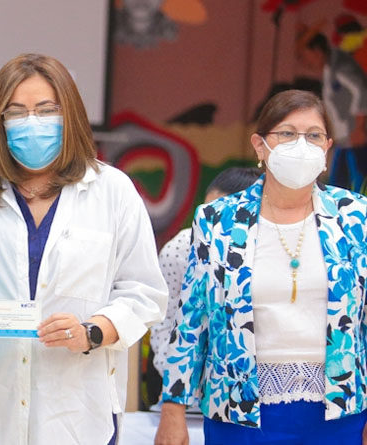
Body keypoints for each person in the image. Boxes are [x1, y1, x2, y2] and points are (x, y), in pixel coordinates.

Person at [0, 53, 168, 444]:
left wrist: (94, 331)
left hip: (78, 411)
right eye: (17, 112)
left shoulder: (112, 190)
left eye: (46, 110)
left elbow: (144, 292)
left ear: (70, 115)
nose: (32, 124)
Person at [155, 89, 367, 445]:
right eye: (286, 133)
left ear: (327, 148)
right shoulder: (217, 220)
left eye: (313, 135)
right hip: (238, 411)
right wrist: (172, 409)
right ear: (259, 145)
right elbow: (191, 320)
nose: (301, 145)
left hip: (338, 413)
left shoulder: (355, 217)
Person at [149, 167, 261, 380]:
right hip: (194, 385)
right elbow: (165, 321)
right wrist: (180, 381)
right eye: (207, 212)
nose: (210, 222)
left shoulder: (274, 250)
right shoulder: (181, 248)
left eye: (225, 215)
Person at [297, 30, 367, 191]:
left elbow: (361, 91)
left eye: (305, 55)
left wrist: (359, 126)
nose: (304, 62)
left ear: (317, 51)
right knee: (337, 184)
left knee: (357, 183)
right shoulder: (328, 69)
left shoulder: (341, 65)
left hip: (355, 137)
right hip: (343, 138)